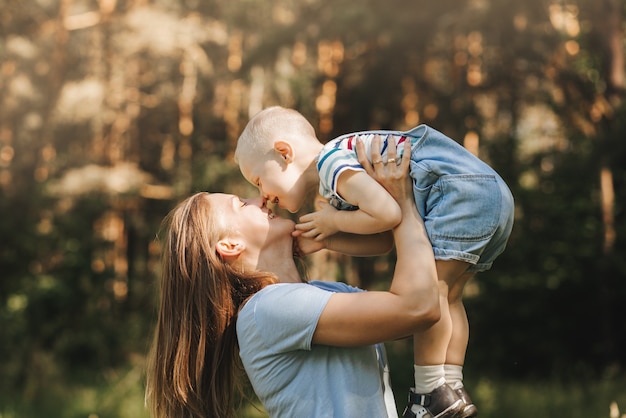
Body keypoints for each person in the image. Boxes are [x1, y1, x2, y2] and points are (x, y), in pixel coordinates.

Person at [235, 106, 515, 418]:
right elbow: (385, 237)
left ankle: (430, 392)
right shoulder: (342, 167)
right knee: (450, 295)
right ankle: (451, 386)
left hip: (458, 193)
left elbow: (390, 214)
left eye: (259, 180)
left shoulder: (331, 164)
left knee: (434, 291)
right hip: (486, 193)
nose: (262, 194)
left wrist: (335, 220)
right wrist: (329, 237)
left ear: (284, 153)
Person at [145, 140, 442, 418]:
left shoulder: (324, 293)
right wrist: (403, 201)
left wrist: (332, 237)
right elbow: (418, 308)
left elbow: (412, 314)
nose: (260, 198)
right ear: (230, 245)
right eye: (239, 203)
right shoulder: (265, 310)